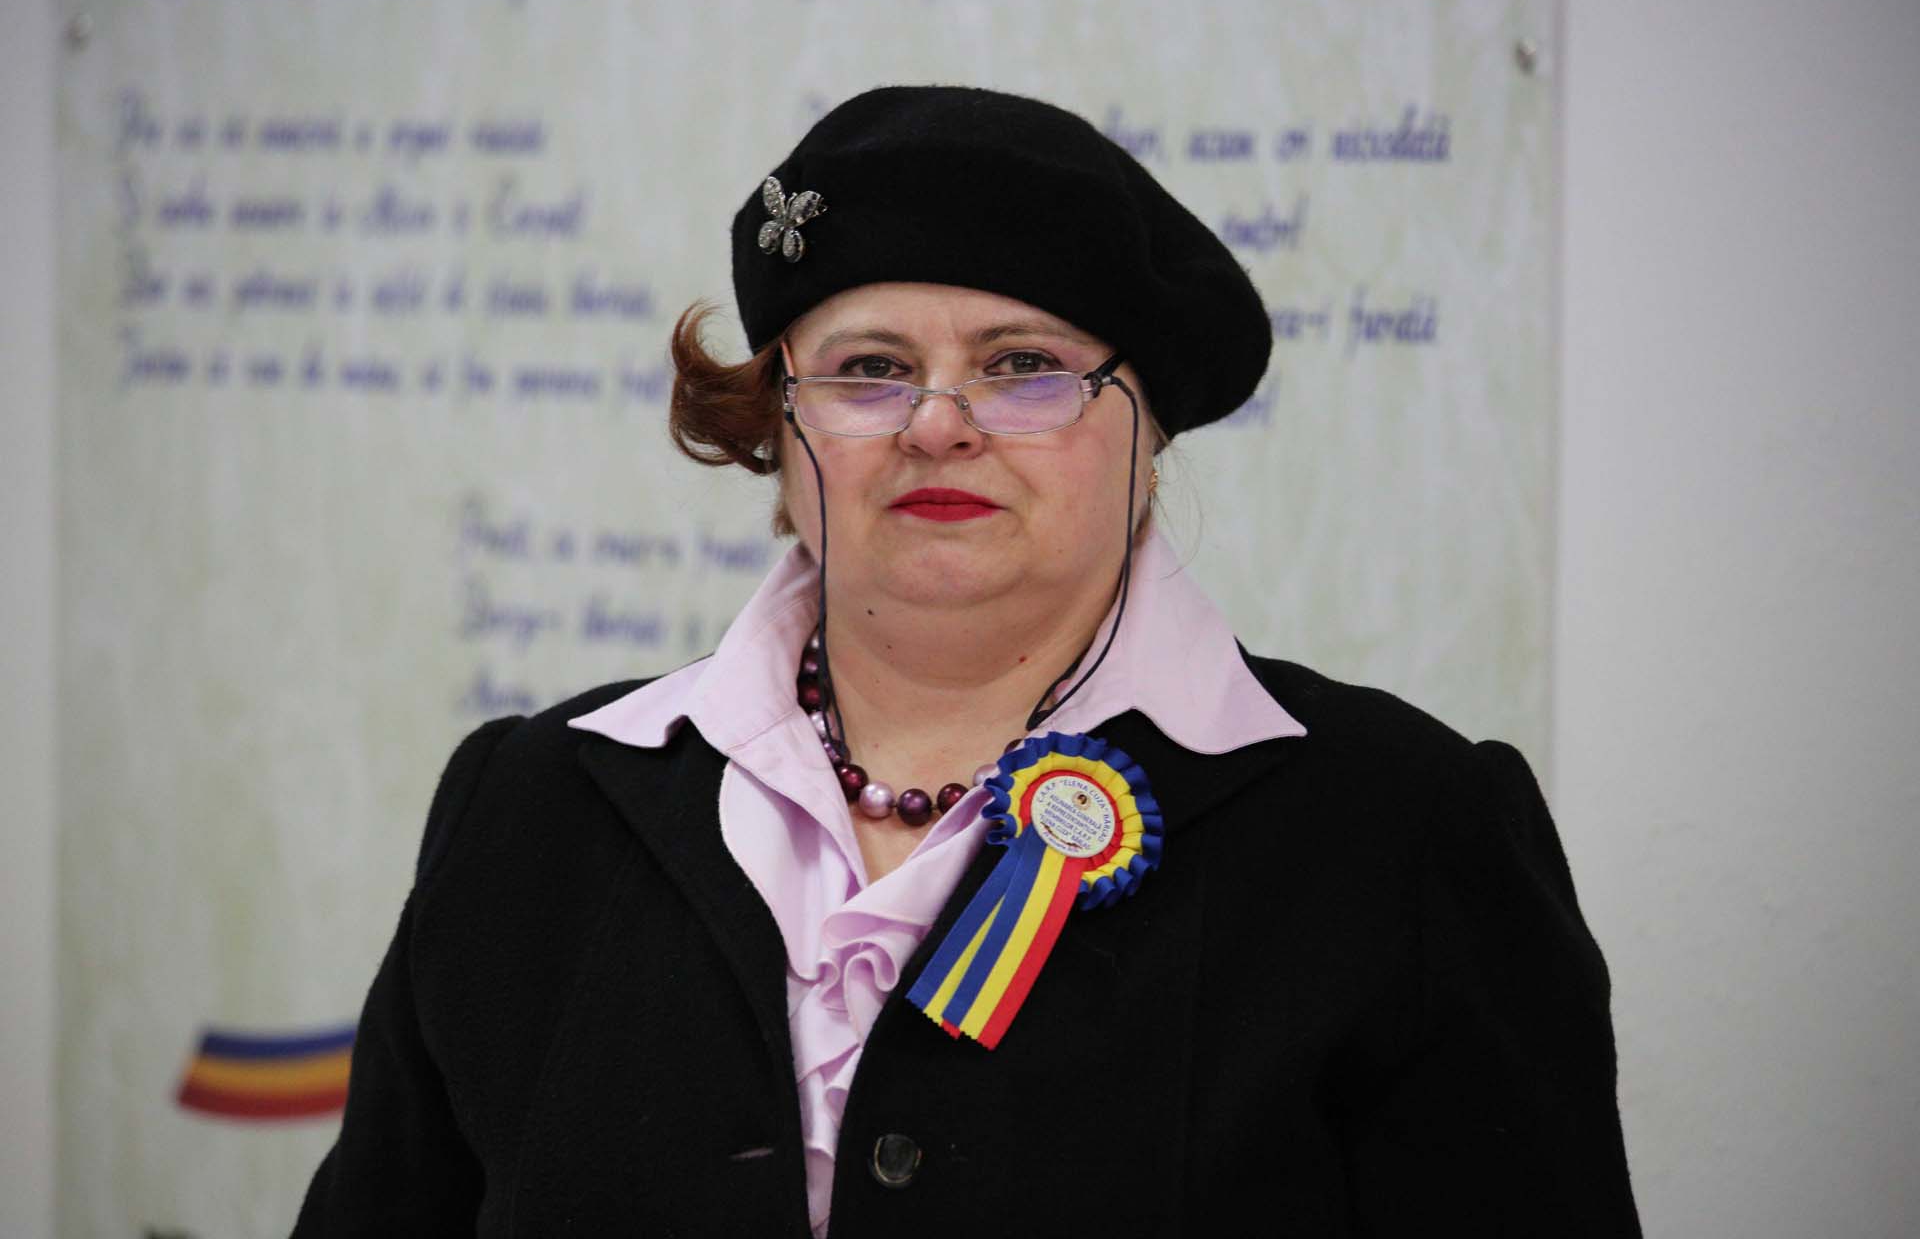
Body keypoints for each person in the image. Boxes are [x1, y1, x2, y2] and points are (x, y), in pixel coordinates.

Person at [294, 86, 1641, 1237]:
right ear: (779, 426)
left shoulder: (1398, 832)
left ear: (1147, 430)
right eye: (869, 370)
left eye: (1024, 366)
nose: (937, 425)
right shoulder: (533, 802)